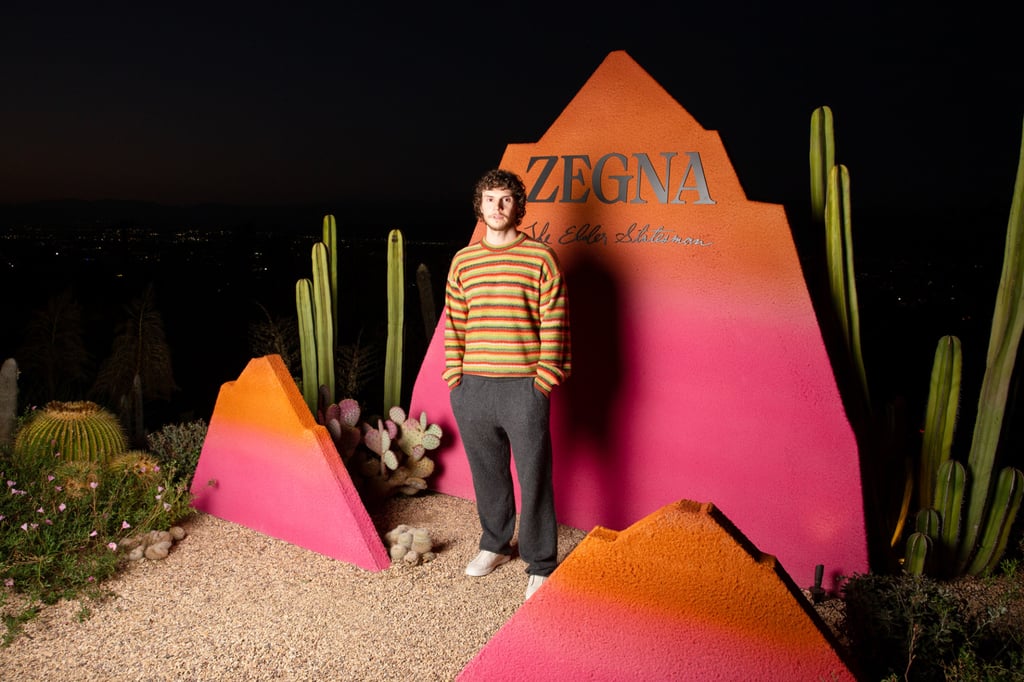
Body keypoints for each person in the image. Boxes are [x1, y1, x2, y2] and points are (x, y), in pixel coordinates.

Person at [443, 168, 572, 600]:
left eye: (506, 200)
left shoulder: (540, 256)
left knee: (534, 473)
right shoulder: (463, 260)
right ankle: (494, 544)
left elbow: (555, 320)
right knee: (488, 472)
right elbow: (455, 323)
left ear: (518, 206)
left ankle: (541, 560)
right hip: (473, 386)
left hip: (524, 386)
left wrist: (545, 378)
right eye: (490, 199)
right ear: (478, 206)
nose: (497, 208)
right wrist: (454, 378)